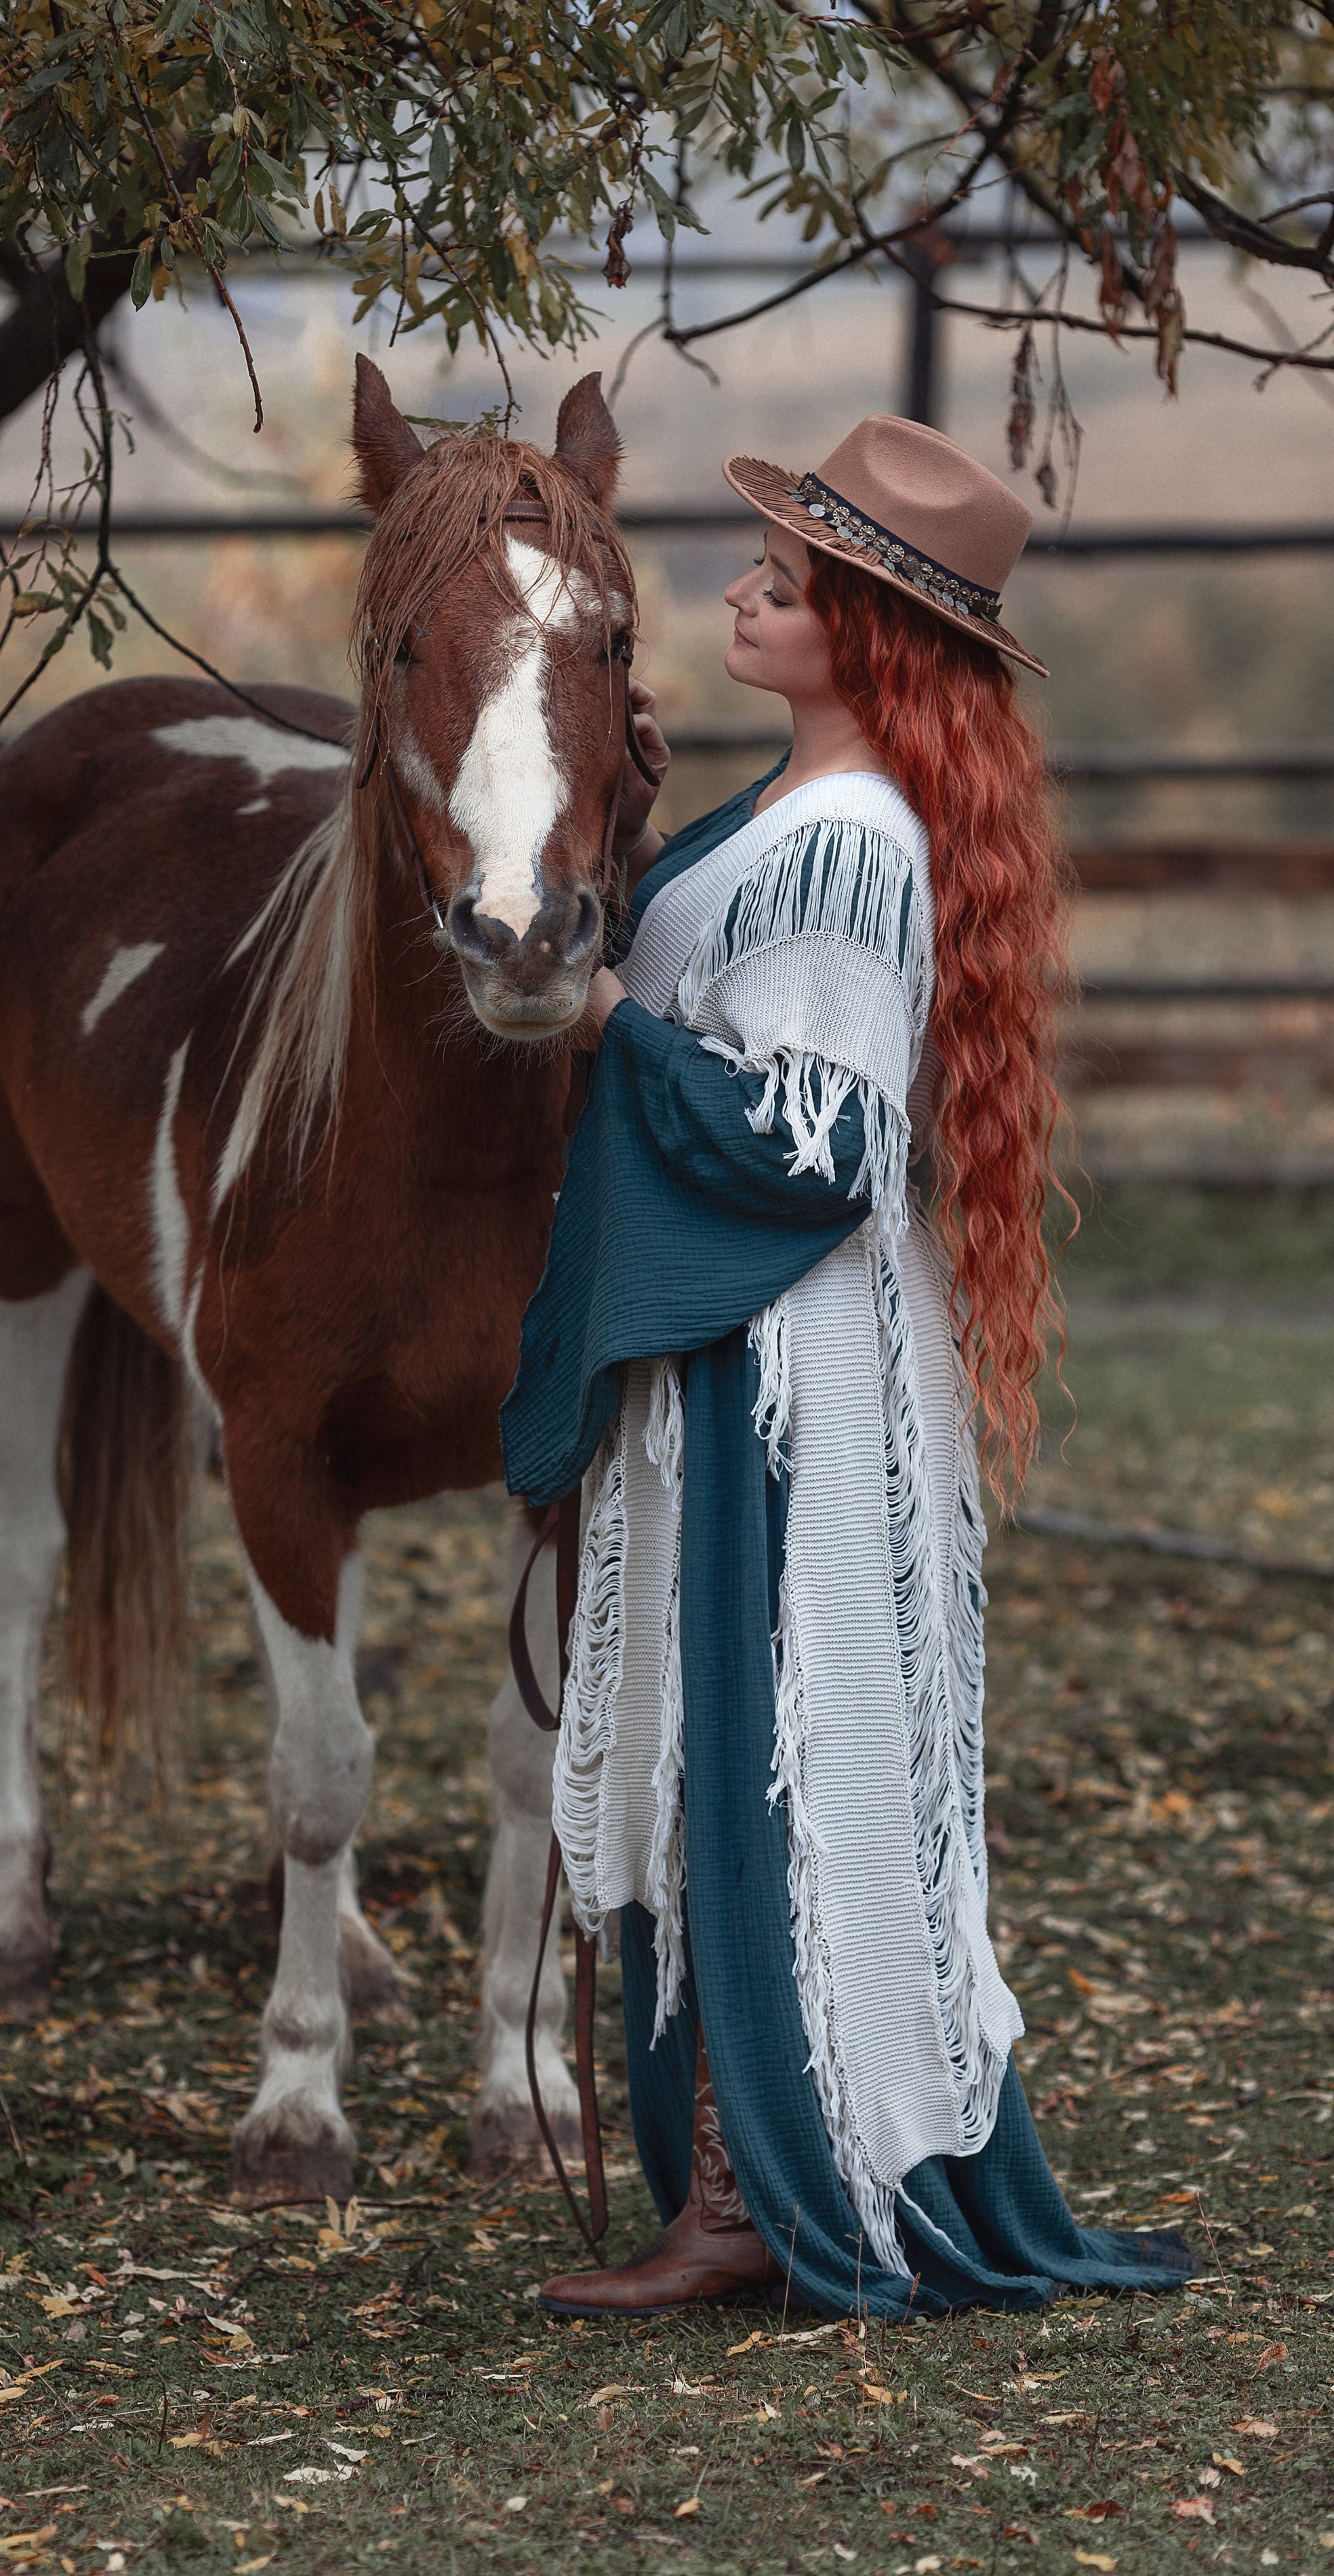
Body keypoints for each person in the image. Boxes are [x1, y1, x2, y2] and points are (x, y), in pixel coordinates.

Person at [501, 414, 1198, 2321]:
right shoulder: (804, 811)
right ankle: (743, 2177)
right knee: (727, 1745)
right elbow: (716, 991)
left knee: (769, 1753)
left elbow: (814, 1138)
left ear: (867, 635)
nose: (741, 592)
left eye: (786, 585)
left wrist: (611, 1019)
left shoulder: (857, 842)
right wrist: (645, 838)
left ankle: (759, 2195)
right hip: (747, 1343)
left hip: (787, 1368)